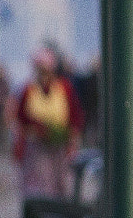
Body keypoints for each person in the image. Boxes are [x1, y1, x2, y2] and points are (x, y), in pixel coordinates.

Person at [14, 46, 83, 198]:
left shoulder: (64, 87)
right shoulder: (29, 89)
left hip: (61, 144)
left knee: (62, 182)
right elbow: (21, 119)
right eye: (40, 70)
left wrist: (72, 137)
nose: (43, 75)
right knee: (40, 184)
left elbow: (75, 114)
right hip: (37, 145)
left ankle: (62, 212)